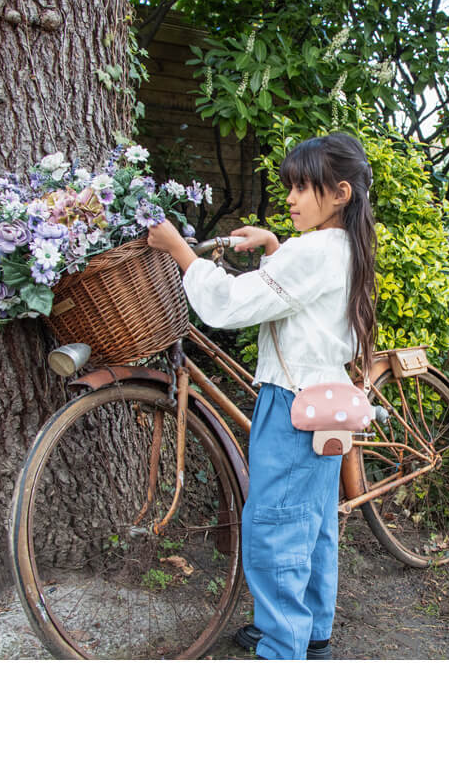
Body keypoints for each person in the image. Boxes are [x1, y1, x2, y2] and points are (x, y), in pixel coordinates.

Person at [147, 132, 377, 660]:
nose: (291, 198)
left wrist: (178, 250)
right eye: (290, 187)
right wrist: (275, 247)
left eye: (303, 187)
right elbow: (299, 293)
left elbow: (227, 305)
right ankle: (311, 632)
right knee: (313, 523)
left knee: (275, 527)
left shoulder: (316, 252)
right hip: (326, 402)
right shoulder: (343, 246)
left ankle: (282, 648)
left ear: (339, 193)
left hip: (292, 406)